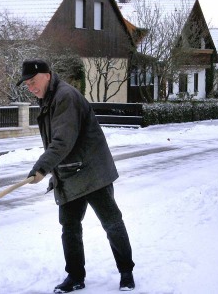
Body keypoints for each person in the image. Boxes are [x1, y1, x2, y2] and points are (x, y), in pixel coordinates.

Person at [17, 59, 135, 293]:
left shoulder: (65, 97)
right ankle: (75, 276)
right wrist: (55, 172)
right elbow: (58, 143)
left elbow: (63, 140)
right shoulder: (49, 99)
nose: (30, 87)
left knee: (111, 221)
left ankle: (126, 272)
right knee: (69, 226)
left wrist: (42, 168)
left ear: (47, 75)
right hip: (70, 172)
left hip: (92, 170)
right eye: (27, 85)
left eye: (33, 82)